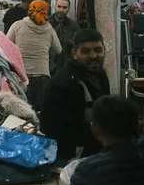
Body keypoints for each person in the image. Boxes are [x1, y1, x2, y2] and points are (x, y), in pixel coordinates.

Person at [41, 29, 109, 161]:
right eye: (85, 51)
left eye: (98, 50)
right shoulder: (65, 83)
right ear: (74, 54)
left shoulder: (100, 75)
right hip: (71, 154)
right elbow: (65, 132)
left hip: (94, 145)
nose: (93, 56)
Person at [7, 0, 61, 110]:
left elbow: (6, 45)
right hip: (42, 77)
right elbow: (59, 50)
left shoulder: (17, 25)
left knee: (21, 112)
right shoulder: (49, 29)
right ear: (46, 12)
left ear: (30, 10)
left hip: (20, 76)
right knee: (40, 112)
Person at [50, 0, 80, 75]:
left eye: (64, 7)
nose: (61, 10)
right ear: (54, 6)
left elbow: (78, 45)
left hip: (65, 66)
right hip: (47, 65)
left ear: (68, 9)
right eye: (59, 7)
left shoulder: (74, 26)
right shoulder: (46, 23)